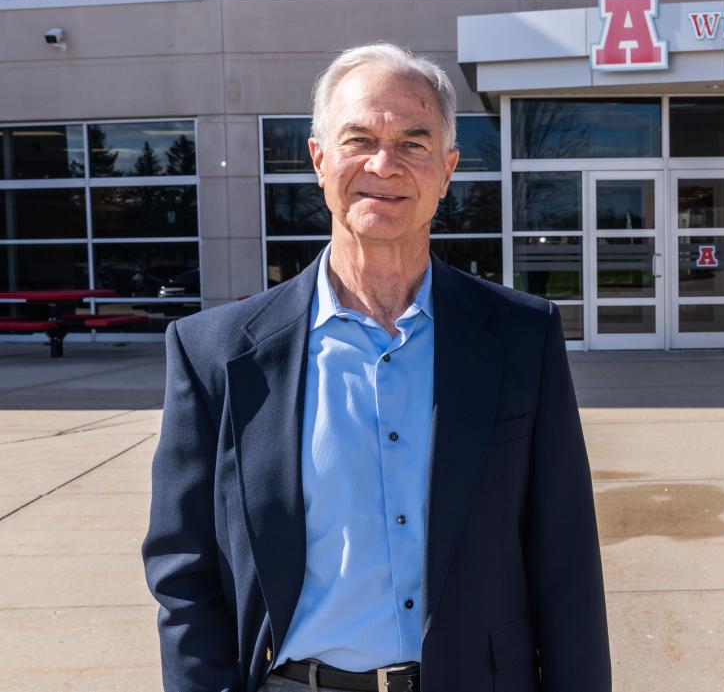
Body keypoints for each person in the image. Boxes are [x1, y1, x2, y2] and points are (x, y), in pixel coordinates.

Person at [142, 43, 611, 692]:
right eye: (359, 138)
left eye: (413, 143)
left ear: (447, 170)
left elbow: (566, 566)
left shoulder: (521, 338)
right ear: (319, 159)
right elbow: (185, 575)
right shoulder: (214, 355)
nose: (383, 165)